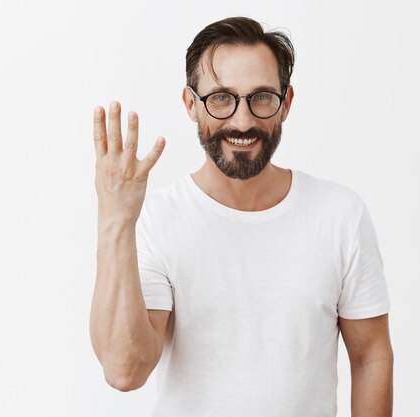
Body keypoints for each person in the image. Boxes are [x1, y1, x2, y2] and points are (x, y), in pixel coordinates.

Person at [89, 16, 393, 417]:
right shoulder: (159, 220)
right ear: (190, 104)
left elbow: (371, 355)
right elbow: (125, 370)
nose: (243, 121)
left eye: (262, 97)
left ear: (285, 104)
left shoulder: (340, 215)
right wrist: (116, 219)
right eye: (221, 98)